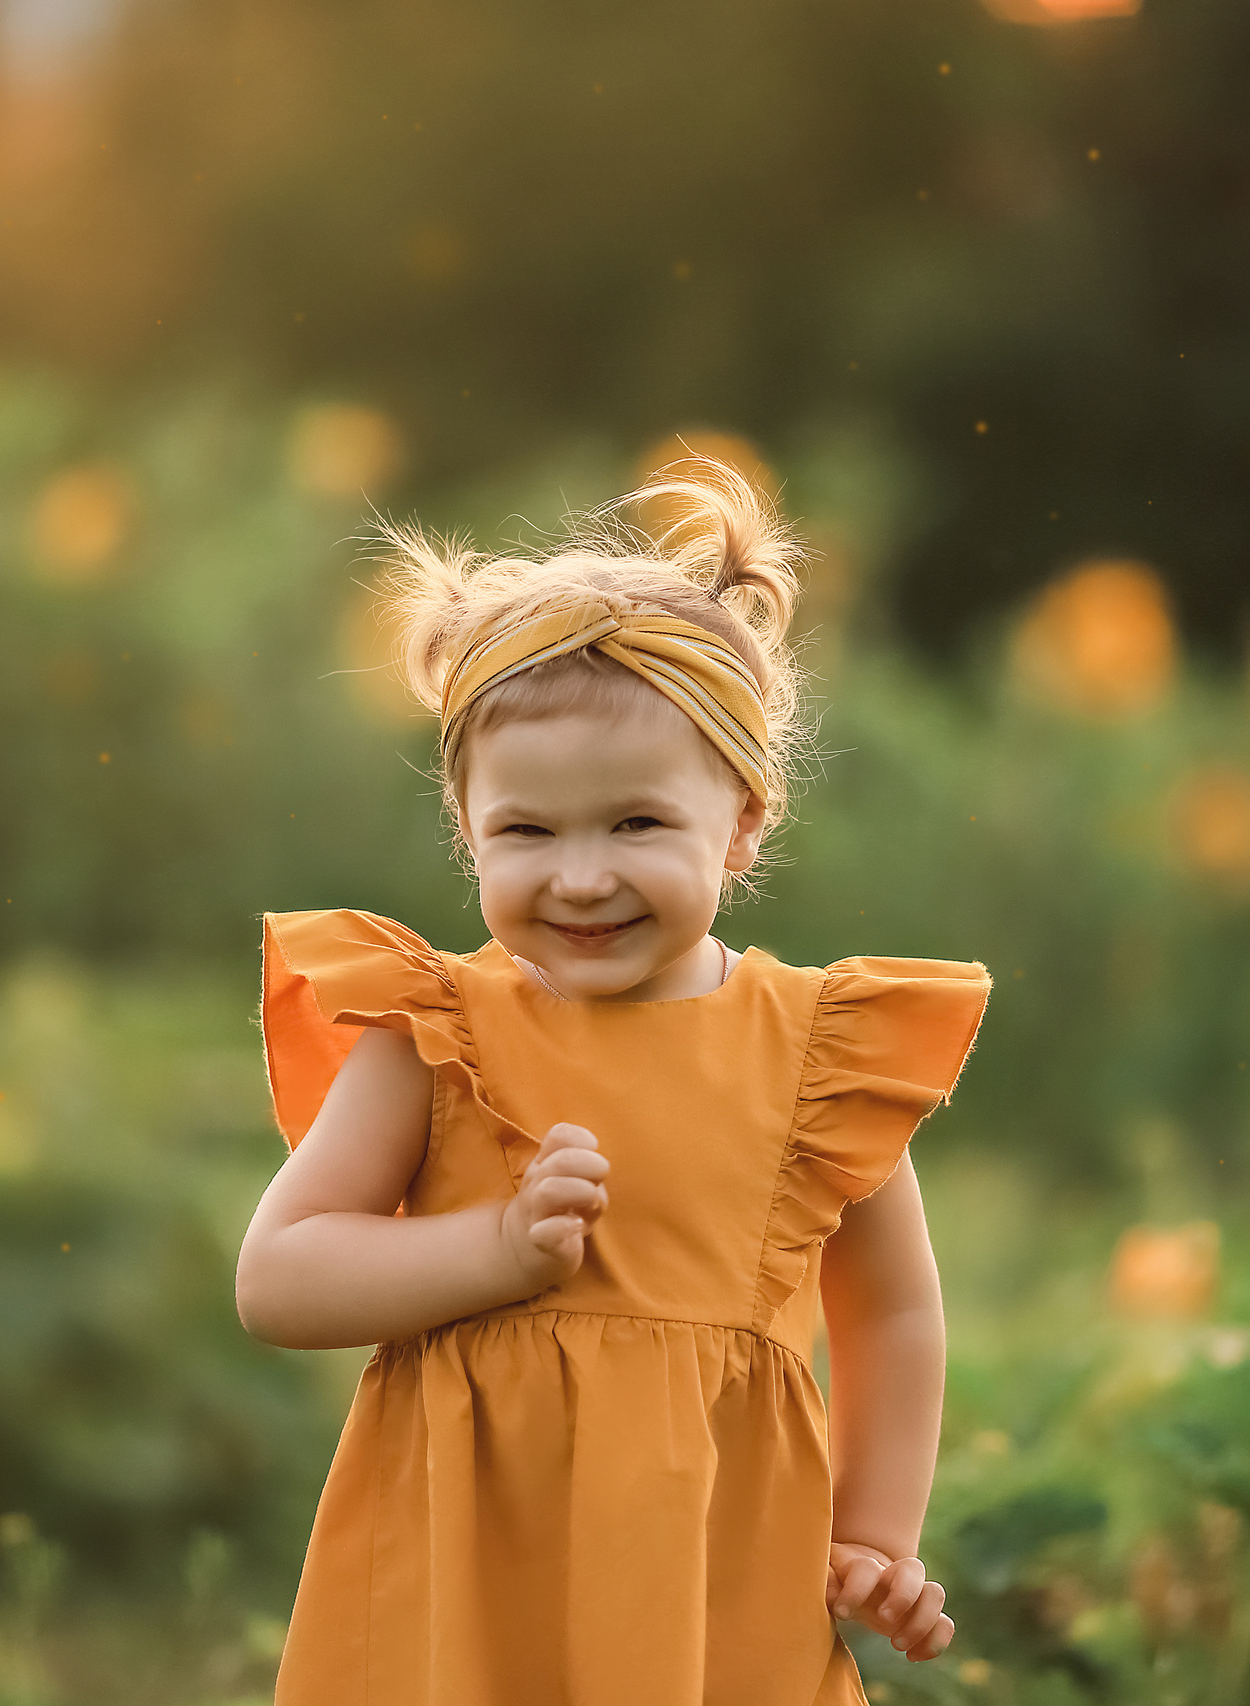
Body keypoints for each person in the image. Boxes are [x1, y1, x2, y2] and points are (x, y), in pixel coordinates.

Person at [235, 459, 990, 1705]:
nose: (580, 876)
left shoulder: (815, 1053)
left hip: (712, 1572)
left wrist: (876, 1530)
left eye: (636, 825)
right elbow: (280, 1273)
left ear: (741, 821)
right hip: (467, 1576)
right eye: (528, 833)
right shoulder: (436, 1033)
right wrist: (491, 1247)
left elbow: (892, 1311)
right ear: (469, 829)